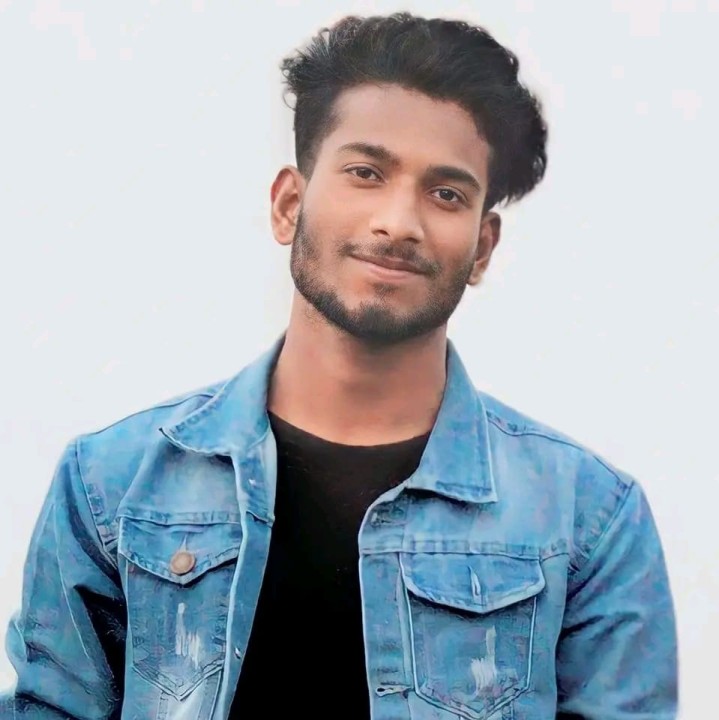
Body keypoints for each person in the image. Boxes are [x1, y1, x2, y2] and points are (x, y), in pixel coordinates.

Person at [0, 12, 678, 720]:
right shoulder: (111, 483)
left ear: (482, 248)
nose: (398, 221)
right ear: (288, 205)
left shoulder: (588, 518)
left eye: (445, 193)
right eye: (365, 173)